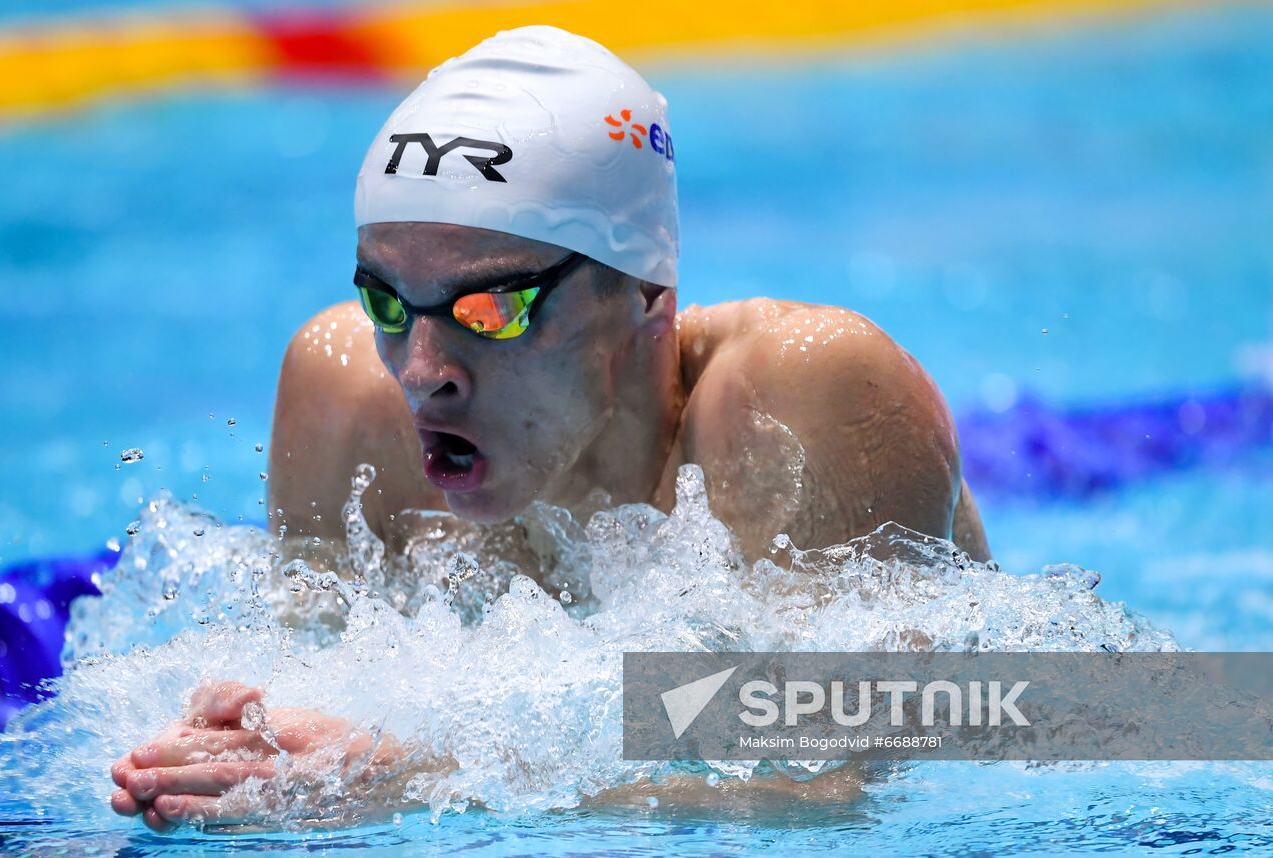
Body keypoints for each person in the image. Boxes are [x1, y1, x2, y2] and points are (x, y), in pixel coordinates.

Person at [110, 25, 989, 831]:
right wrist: (243, 747)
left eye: (491, 309)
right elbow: (314, 689)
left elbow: (851, 776)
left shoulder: (796, 398)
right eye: (387, 302)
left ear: (645, 291)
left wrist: (421, 773)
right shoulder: (346, 401)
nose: (420, 371)